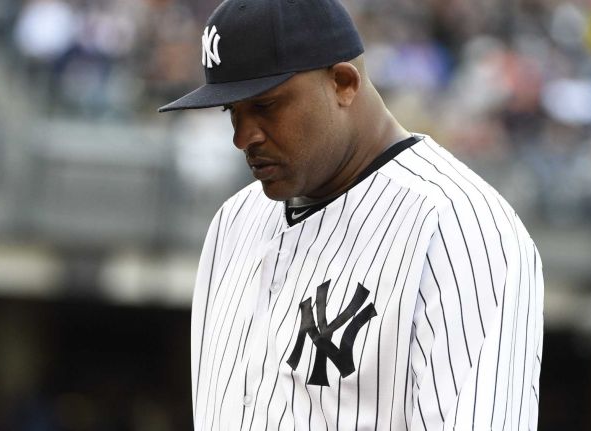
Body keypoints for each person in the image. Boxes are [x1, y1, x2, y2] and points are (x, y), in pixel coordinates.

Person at [158, 0, 544, 429]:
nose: (243, 137)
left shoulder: (461, 228)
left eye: (264, 106)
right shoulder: (234, 222)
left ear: (343, 83)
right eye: (233, 110)